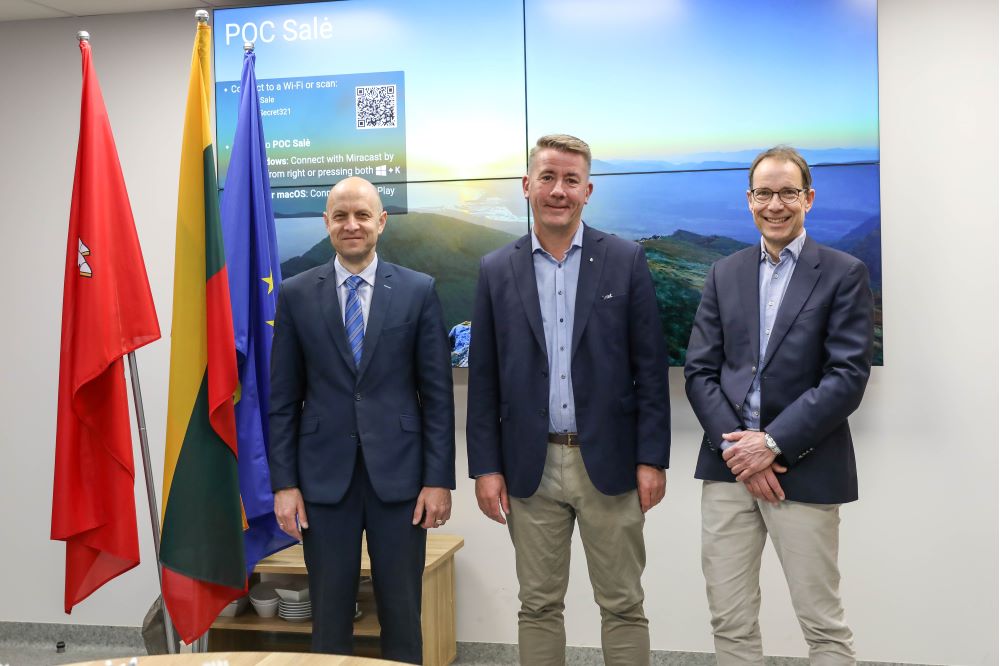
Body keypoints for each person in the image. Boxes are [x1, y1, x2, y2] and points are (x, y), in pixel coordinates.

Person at [467, 134, 671, 665]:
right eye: (549, 178)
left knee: (623, 603)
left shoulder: (625, 260)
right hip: (528, 466)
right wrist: (485, 468)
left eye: (571, 180)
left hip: (611, 462)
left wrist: (652, 458)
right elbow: (484, 379)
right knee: (537, 605)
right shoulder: (495, 269)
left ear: (588, 190)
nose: (559, 190)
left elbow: (650, 370)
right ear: (527, 185)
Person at [684, 146, 874, 665]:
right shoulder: (724, 273)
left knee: (822, 624)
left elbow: (848, 376)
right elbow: (700, 372)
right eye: (764, 193)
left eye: (788, 192)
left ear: (808, 198)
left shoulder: (843, 273)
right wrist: (741, 453)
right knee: (730, 619)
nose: (776, 204)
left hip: (806, 468)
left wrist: (771, 444)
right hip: (728, 471)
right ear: (749, 201)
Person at [268, 176, 455, 663]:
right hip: (322, 482)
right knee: (328, 618)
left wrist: (438, 480)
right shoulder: (295, 293)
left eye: (362, 215)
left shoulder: (418, 291)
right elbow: (283, 400)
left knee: (401, 614)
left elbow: (436, 397)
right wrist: (284, 484)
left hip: (401, 481)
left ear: (382, 222)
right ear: (326, 222)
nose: (352, 225)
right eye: (341, 216)